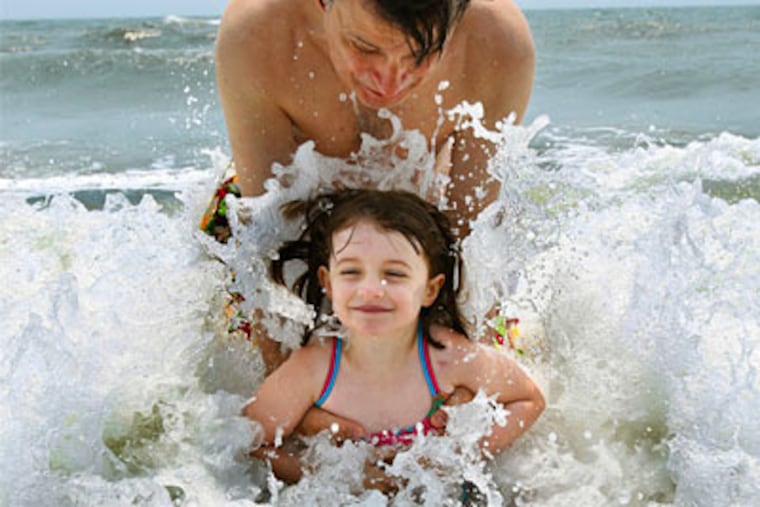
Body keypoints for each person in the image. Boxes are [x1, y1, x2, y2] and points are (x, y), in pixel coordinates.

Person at [243, 189, 545, 488]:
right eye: (351, 272)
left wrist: (458, 458)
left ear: (430, 289)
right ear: (328, 283)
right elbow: (249, 441)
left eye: (395, 274)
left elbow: (529, 399)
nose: (372, 289)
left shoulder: (447, 357)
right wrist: (340, 481)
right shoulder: (313, 369)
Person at [214, 0, 535, 239]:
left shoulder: (498, 40)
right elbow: (267, 231)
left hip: (421, 221)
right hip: (292, 215)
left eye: (420, 54)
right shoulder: (258, 31)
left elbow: (472, 237)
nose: (389, 84)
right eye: (365, 47)